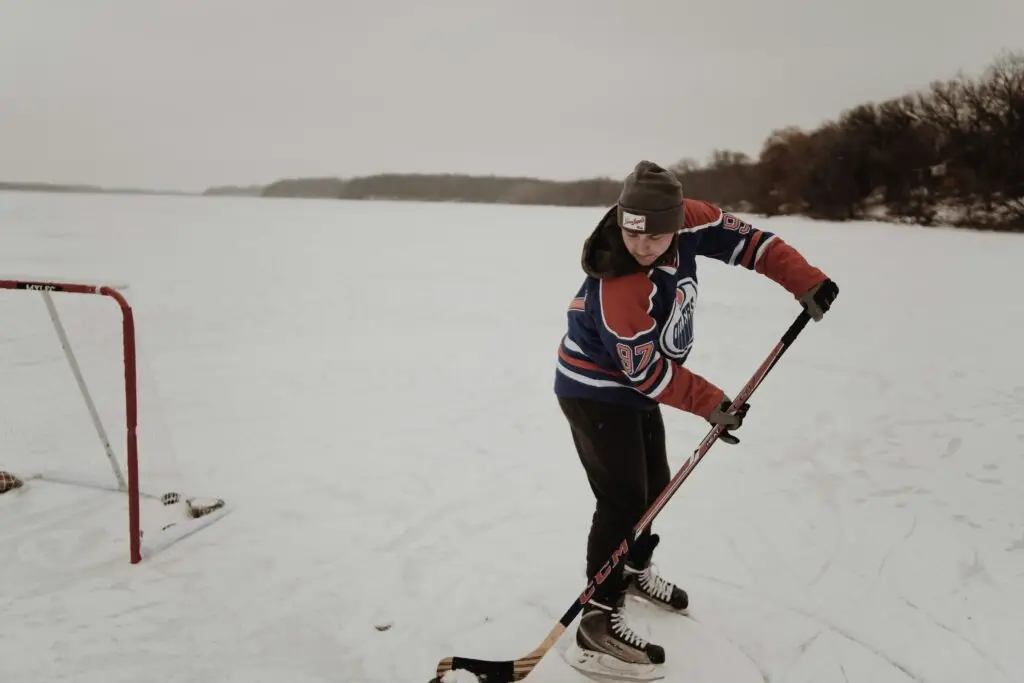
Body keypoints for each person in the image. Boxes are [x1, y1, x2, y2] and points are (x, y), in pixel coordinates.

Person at [554, 160, 838, 674]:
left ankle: (634, 567)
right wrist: (709, 402)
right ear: (622, 219)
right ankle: (596, 618)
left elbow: (752, 243)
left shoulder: (693, 220)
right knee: (622, 500)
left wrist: (805, 280)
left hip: (635, 385)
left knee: (654, 486)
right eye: (632, 233)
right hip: (594, 389)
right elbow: (647, 375)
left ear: (678, 221)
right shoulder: (620, 284)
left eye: (655, 236)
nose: (642, 246)